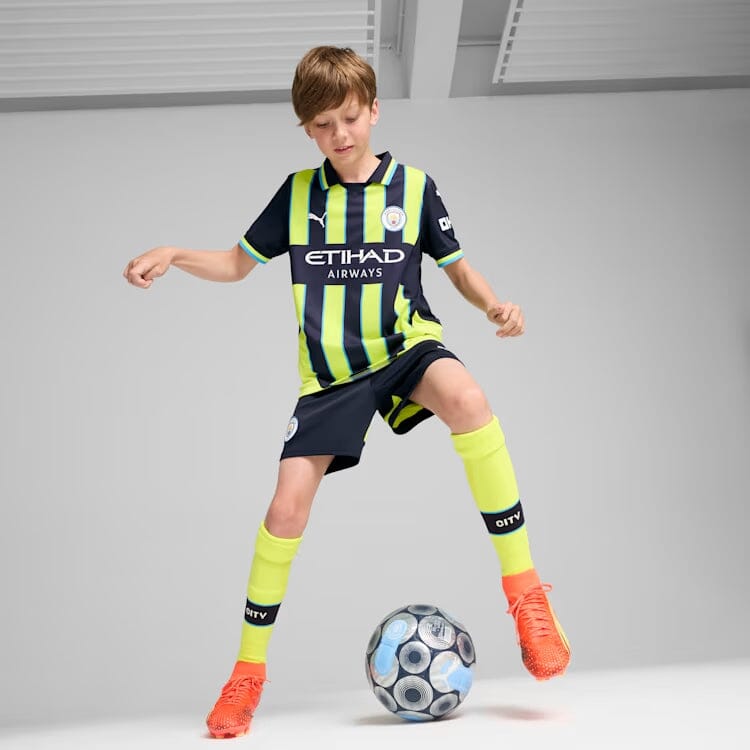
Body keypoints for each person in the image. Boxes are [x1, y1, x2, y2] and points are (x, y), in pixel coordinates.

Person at [123, 46, 570, 739]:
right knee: (284, 511)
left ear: (375, 111)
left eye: (351, 117)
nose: (340, 134)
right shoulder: (298, 195)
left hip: (404, 348)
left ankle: (527, 597)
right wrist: (175, 254)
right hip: (331, 378)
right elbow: (237, 264)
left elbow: (457, 267)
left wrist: (493, 306)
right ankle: (246, 673)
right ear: (307, 129)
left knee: (469, 401)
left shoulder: (414, 189)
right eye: (323, 124)